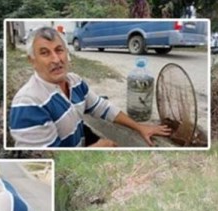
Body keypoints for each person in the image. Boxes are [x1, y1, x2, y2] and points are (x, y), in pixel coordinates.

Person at [9, 26, 171, 148]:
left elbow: (103, 107)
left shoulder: (75, 82)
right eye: (45, 53)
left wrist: (140, 127)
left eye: (59, 50)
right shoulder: (28, 103)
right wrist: (96, 148)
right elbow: (48, 158)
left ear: (67, 53)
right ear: (32, 60)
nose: (56, 59)